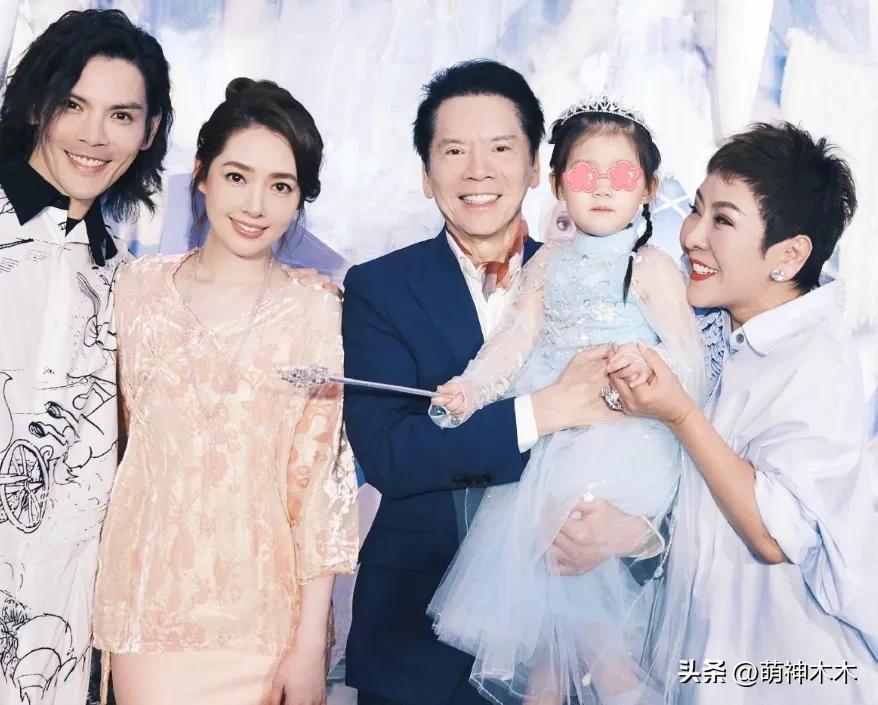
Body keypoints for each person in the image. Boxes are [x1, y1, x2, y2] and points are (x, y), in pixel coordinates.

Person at [342, 61, 661, 705]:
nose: (478, 170)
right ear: (426, 174)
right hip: (416, 644)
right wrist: (541, 411)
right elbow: (392, 456)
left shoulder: (604, 277)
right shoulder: (378, 288)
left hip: (563, 643)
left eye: (500, 148)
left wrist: (636, 534)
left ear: (537, 167)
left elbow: (660, 430)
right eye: (454, 151)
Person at [0, 10, 171, 703]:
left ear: (148, 133)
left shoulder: (132, 287)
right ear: (33, 108)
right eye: (73, 106)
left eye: (121, 115)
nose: (94, 135)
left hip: (52, 643)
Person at [429, 96, 704, 705]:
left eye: (621, 175)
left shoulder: (652, 267)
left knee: (570, 552)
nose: (602, 188)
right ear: (557, 186)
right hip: (552, 441)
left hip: (624, 439)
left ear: (649, 188)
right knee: (552, 630)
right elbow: (512, 343)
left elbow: (689, 360)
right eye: (583, 174)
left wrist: (644, 369)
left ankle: (620, 686)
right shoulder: (547, 264)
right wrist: (469, 389)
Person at [92, 78, 358, 705]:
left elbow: (320, 487)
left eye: (281, 186)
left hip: (266, 623)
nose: (256, 205)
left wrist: (309, 646)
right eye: (237, 176)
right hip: (148, 612)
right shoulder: (133, 291)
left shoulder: (317, 309)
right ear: (202, 173)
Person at [606, 122, 878, 703]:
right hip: (701, 654)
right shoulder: (710, 326)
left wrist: (681, 415)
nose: (692, 236)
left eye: (723, 221)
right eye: (696, 209)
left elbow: (775, 535)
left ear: (789, 255)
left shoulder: (816, 358)